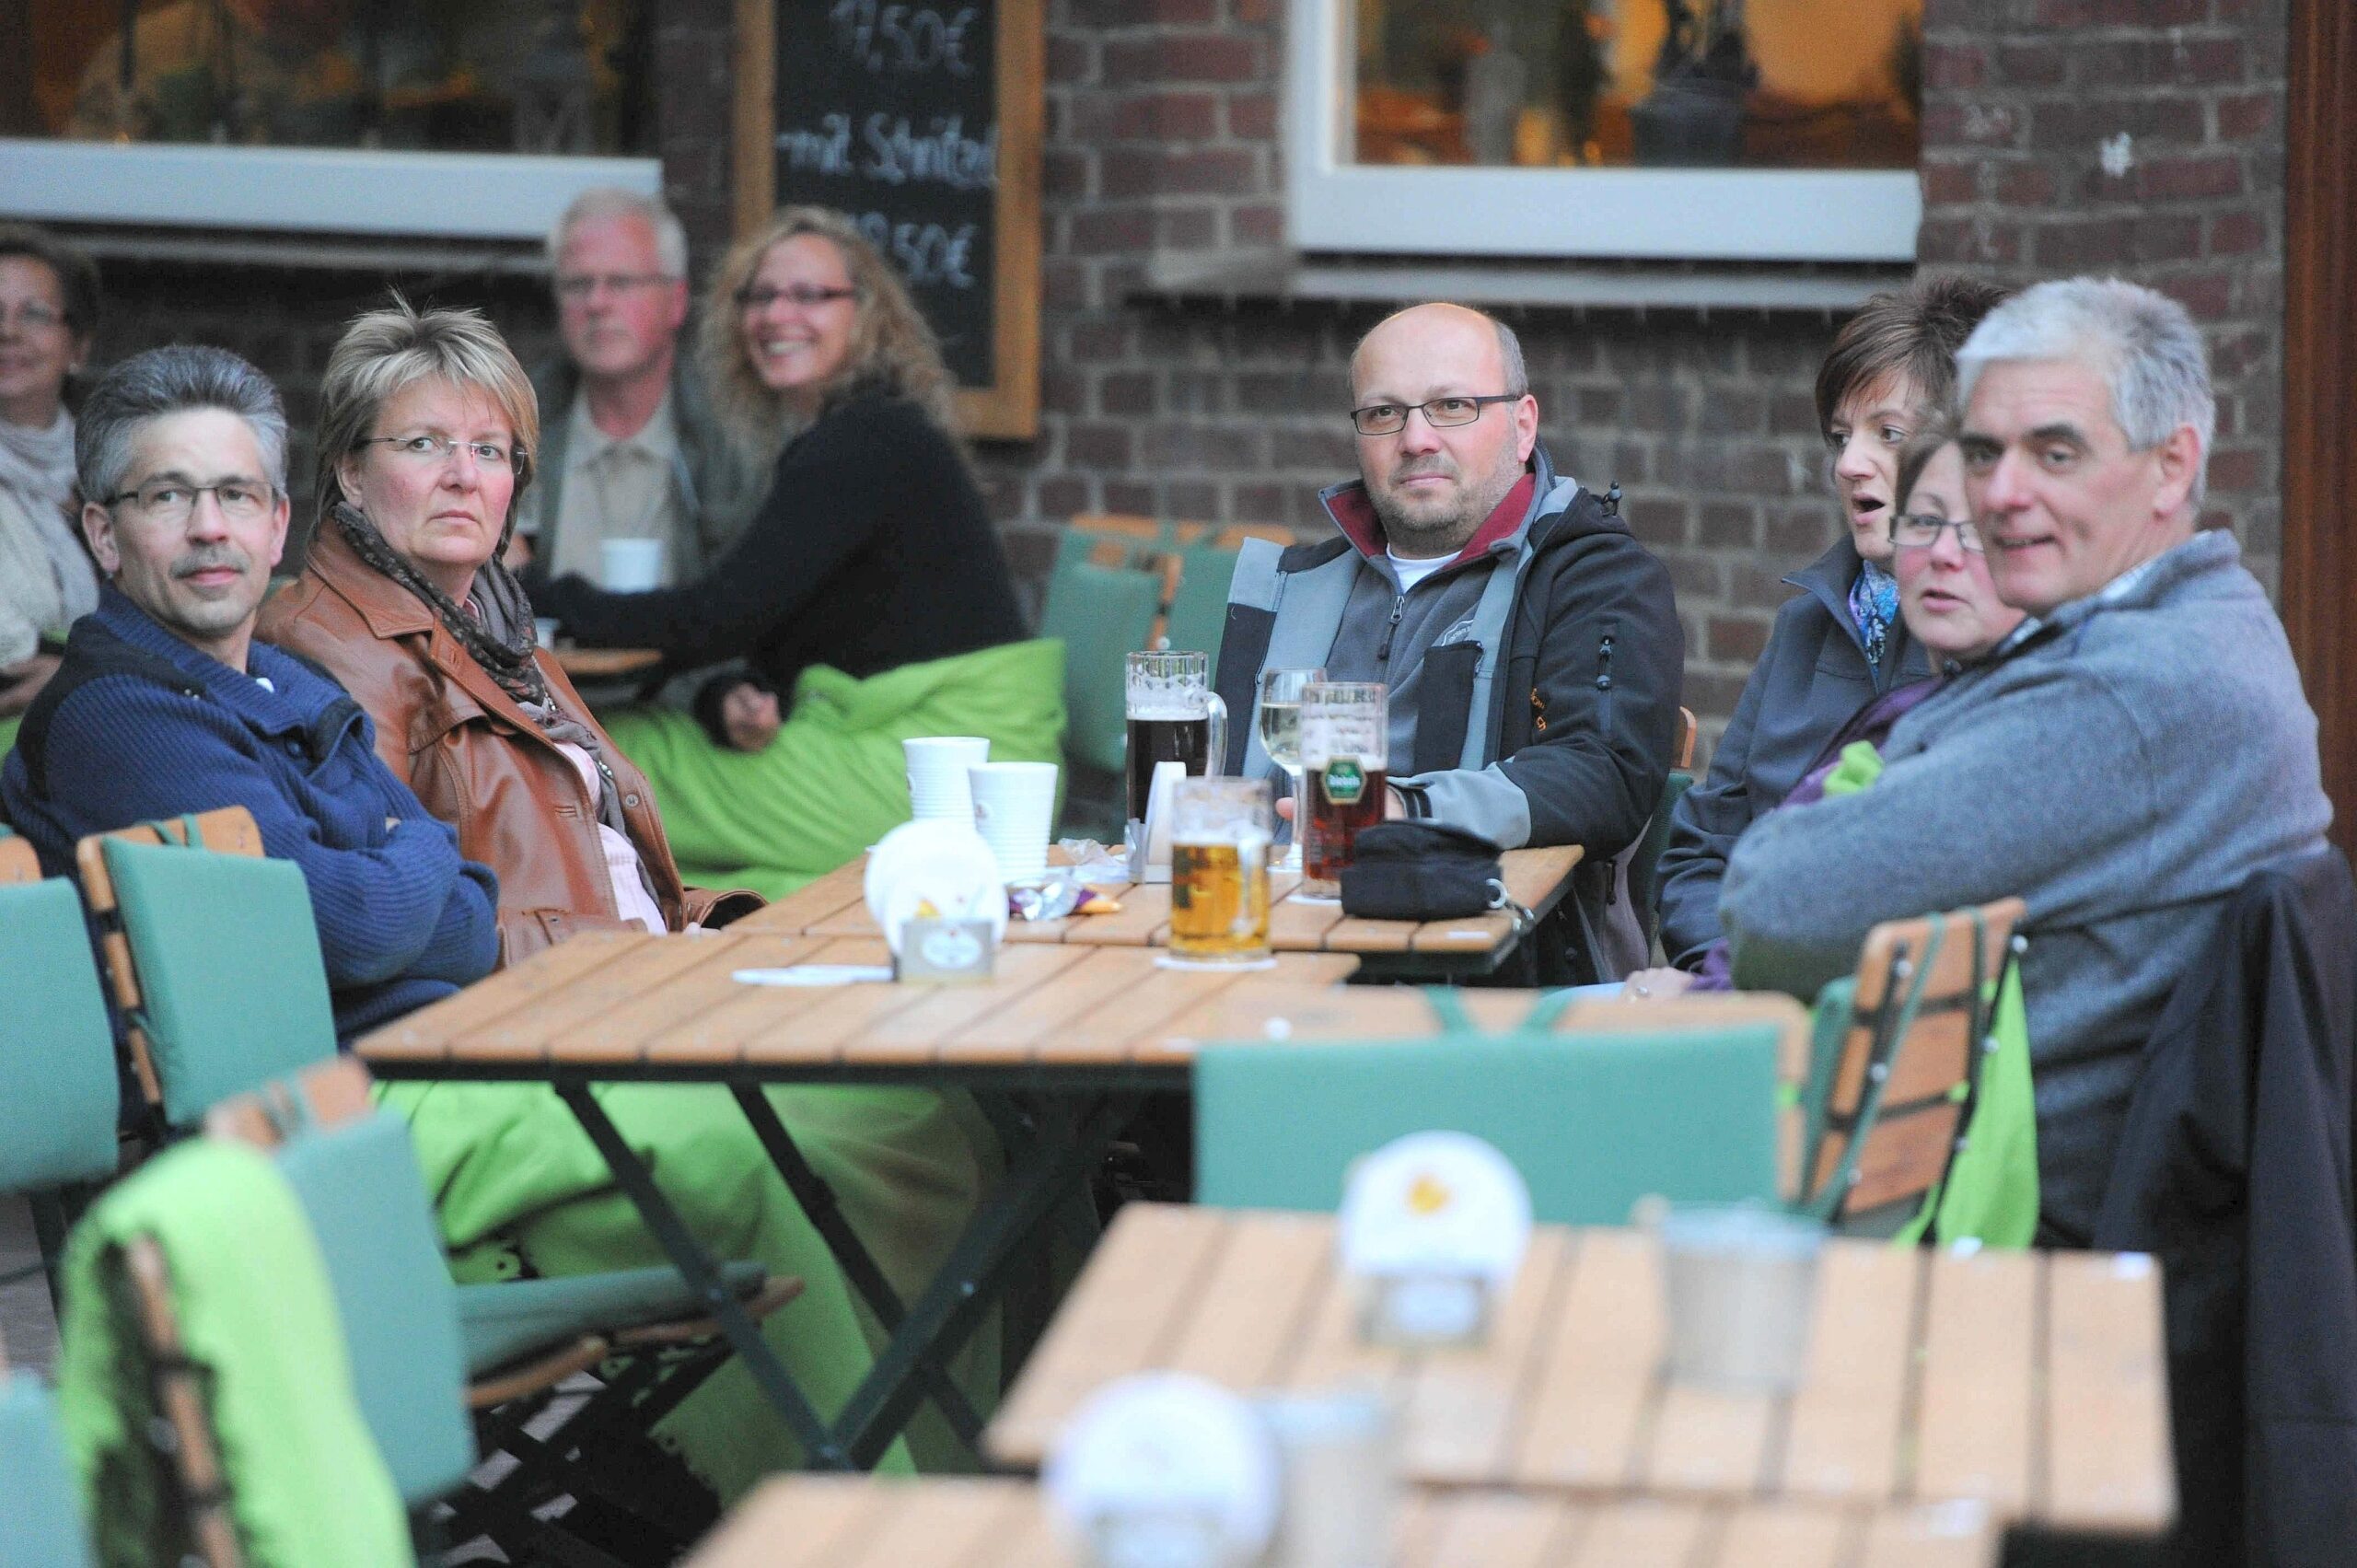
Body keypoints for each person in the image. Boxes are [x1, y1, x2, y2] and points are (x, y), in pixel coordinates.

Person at [259, 296, 998, 1498]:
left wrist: (720, 926)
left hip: (635, 1001)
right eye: (425, 444)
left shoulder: (498, 635)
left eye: (493, 451)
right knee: (796, 1160)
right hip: (510, 1048)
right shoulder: (335, 652)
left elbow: (605, 857)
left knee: (938, 1117)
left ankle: (977, 1479)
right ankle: (848, 1505)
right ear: (346, 471)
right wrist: (640, 958)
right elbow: (403, 928)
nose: (466, 475)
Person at [1720, 277, 2333, 1245]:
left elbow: (1771, 907)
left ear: (2171, 467)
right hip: (1960, 1183)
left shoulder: (2126, 694)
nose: (2002, 493)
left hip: (1997, 1248)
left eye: (2055, 452)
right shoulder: (2208, 617)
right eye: (1983, 451)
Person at [528, 205, 1063, 898]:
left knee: (593, 753)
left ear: (866, 314)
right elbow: (785, 629)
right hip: (927, 755)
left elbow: (721, 615)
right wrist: (731, 694)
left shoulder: (862, 443)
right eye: (760, 295)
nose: (778, 314)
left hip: (944, 771)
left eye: (810, 295)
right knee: (674, 812)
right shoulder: (856, 434)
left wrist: (535, 591)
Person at [0, 344, 499, 1044]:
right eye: (168, 496)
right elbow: (348, 932)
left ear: (275, 528)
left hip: (428, 1054)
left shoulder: (296, 681)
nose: (209, 528)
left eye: (236, 494)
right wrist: (422, 848)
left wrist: (380, 883)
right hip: (283, 1113)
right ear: (104, 536)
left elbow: (476, 925)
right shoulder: (117, 715)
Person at [1213, 301, 1682, 979]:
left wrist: (1404, 808)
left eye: (1452, 406)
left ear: (1523, 426)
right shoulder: (1297, 584)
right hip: (1263, 952)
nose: (1415, 438)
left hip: (1480, 975)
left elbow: (1605, 773)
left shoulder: (1593, 576)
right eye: (1384, 413)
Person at [1653, 276, 2009, 972]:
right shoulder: (1803, 625)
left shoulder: (1987, 637)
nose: (1849, 464)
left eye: (1890, 434)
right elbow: (1699, 851)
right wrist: (1720, 973)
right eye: (1842, 436)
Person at [1626, 425, 2025, 996]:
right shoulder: (1807, 633)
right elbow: (1702, 846)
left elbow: (1819, 922)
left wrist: (1711, 994)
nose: (1941, 554)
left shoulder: (2005, 720)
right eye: (1923, 522)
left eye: (1976, 532)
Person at [514, 188, 763, 589]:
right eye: (578, 284)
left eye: (622, 282)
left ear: (677, 302)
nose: (597, 303)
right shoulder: (515, 423)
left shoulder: (736, 432)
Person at [0, 226, 104, 761]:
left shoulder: (116, 471)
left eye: (34, 314)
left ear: (78, 347)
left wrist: (85, 673)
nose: (7, 332)